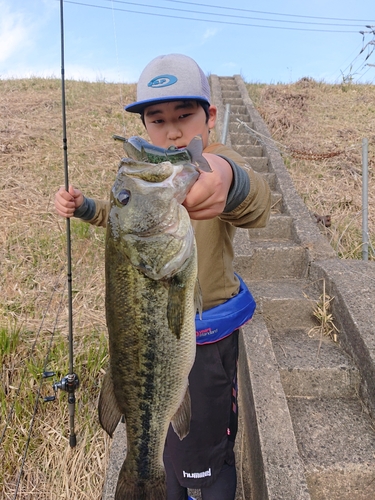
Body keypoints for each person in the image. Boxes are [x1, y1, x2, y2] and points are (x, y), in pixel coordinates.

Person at [55, 53, 271, 500]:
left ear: (209, 118)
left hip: (208, 340)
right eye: (157, 119)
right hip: (157, 347)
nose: (172, 131)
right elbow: (123, 219)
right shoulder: (145, 179)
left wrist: (230, 180)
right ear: (144, 126)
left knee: (205, 461)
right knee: (167, 454)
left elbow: (257, 201)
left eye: (184, 115)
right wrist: (88, 208)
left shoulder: (214, 161)